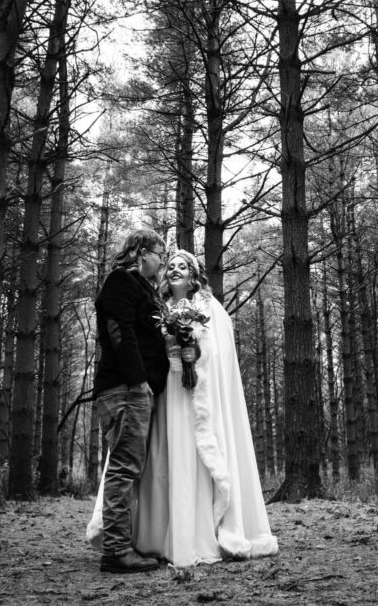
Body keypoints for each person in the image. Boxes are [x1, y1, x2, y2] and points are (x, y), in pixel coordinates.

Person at [102, 249, 278, 567]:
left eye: (182, 266)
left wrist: (192, 351)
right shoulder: (157, 307)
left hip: (194, 393)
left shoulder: (210, 308)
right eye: (170, 266)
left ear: (194, 275)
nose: (174, 270)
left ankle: (198, 533)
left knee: (192, 458)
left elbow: (220, 354)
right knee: (160, 458)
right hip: (163, 391)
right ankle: (154, 538)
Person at [89, 228, 169, 574]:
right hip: (124, 389)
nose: (161, 262)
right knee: (123, 467)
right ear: (140, 252)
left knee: (129, 465)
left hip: (133, 388)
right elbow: (120, 332)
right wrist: (138, 381)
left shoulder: (142, 288)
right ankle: (117, 551)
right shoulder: (120, 281)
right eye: (158, 254)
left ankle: (123, 544)